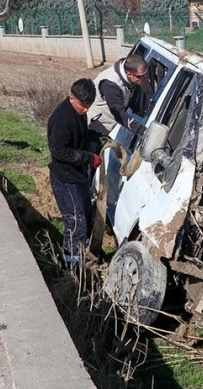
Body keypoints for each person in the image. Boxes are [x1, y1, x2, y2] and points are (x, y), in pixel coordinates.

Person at [47, 78, 99, 266]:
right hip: (65, 177)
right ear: (72, 97)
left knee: (87, 214)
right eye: (83, 105)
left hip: (77, 174)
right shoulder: (62, 119)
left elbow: (81, 136)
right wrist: (88, 158)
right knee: (75, 221)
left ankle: (82, 253)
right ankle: (70, 263)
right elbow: (58, 151)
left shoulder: (79, 113)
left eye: (88, 106)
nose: (86, 110)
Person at [86, 54, 149, 137]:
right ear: (129, 74)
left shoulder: (128, 70)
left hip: (114, 123)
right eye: (141, 76)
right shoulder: (110, 85)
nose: (145, 78)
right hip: (99, 125)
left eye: (146, 74)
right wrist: (143, 131)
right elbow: (119, 114)